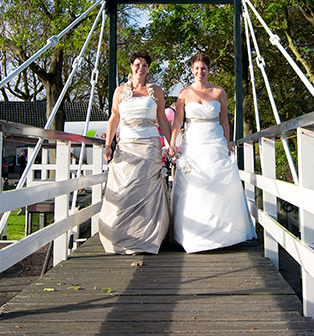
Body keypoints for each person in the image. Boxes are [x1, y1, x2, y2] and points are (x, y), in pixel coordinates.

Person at [168, 53, 256, 252]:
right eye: (197, 68)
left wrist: (227, 143)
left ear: (208, 70)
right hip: (193, 143)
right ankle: (193, 235)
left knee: (219, 181)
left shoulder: (219, 92)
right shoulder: (184, 94)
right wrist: (173, 143)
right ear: (192, 69)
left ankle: (225, 234)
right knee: (194, 185)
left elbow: (224, 120)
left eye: (204, 68)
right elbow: (177, 122)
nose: (200, 72)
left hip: (214, 140)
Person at [97, 51, 173, 254]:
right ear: (131, 66)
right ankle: (124, 237)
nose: (141, 69)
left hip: (149, 146)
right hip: (126, 146)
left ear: (148, 69)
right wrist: (107, 144)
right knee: (125, 191)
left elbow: (163, 119)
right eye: (137, 64)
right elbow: (114, 118)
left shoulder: (156, 91)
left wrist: (170, 142)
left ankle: (148, 239)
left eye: (145, 65)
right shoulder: (120, 91)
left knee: (147, 192)